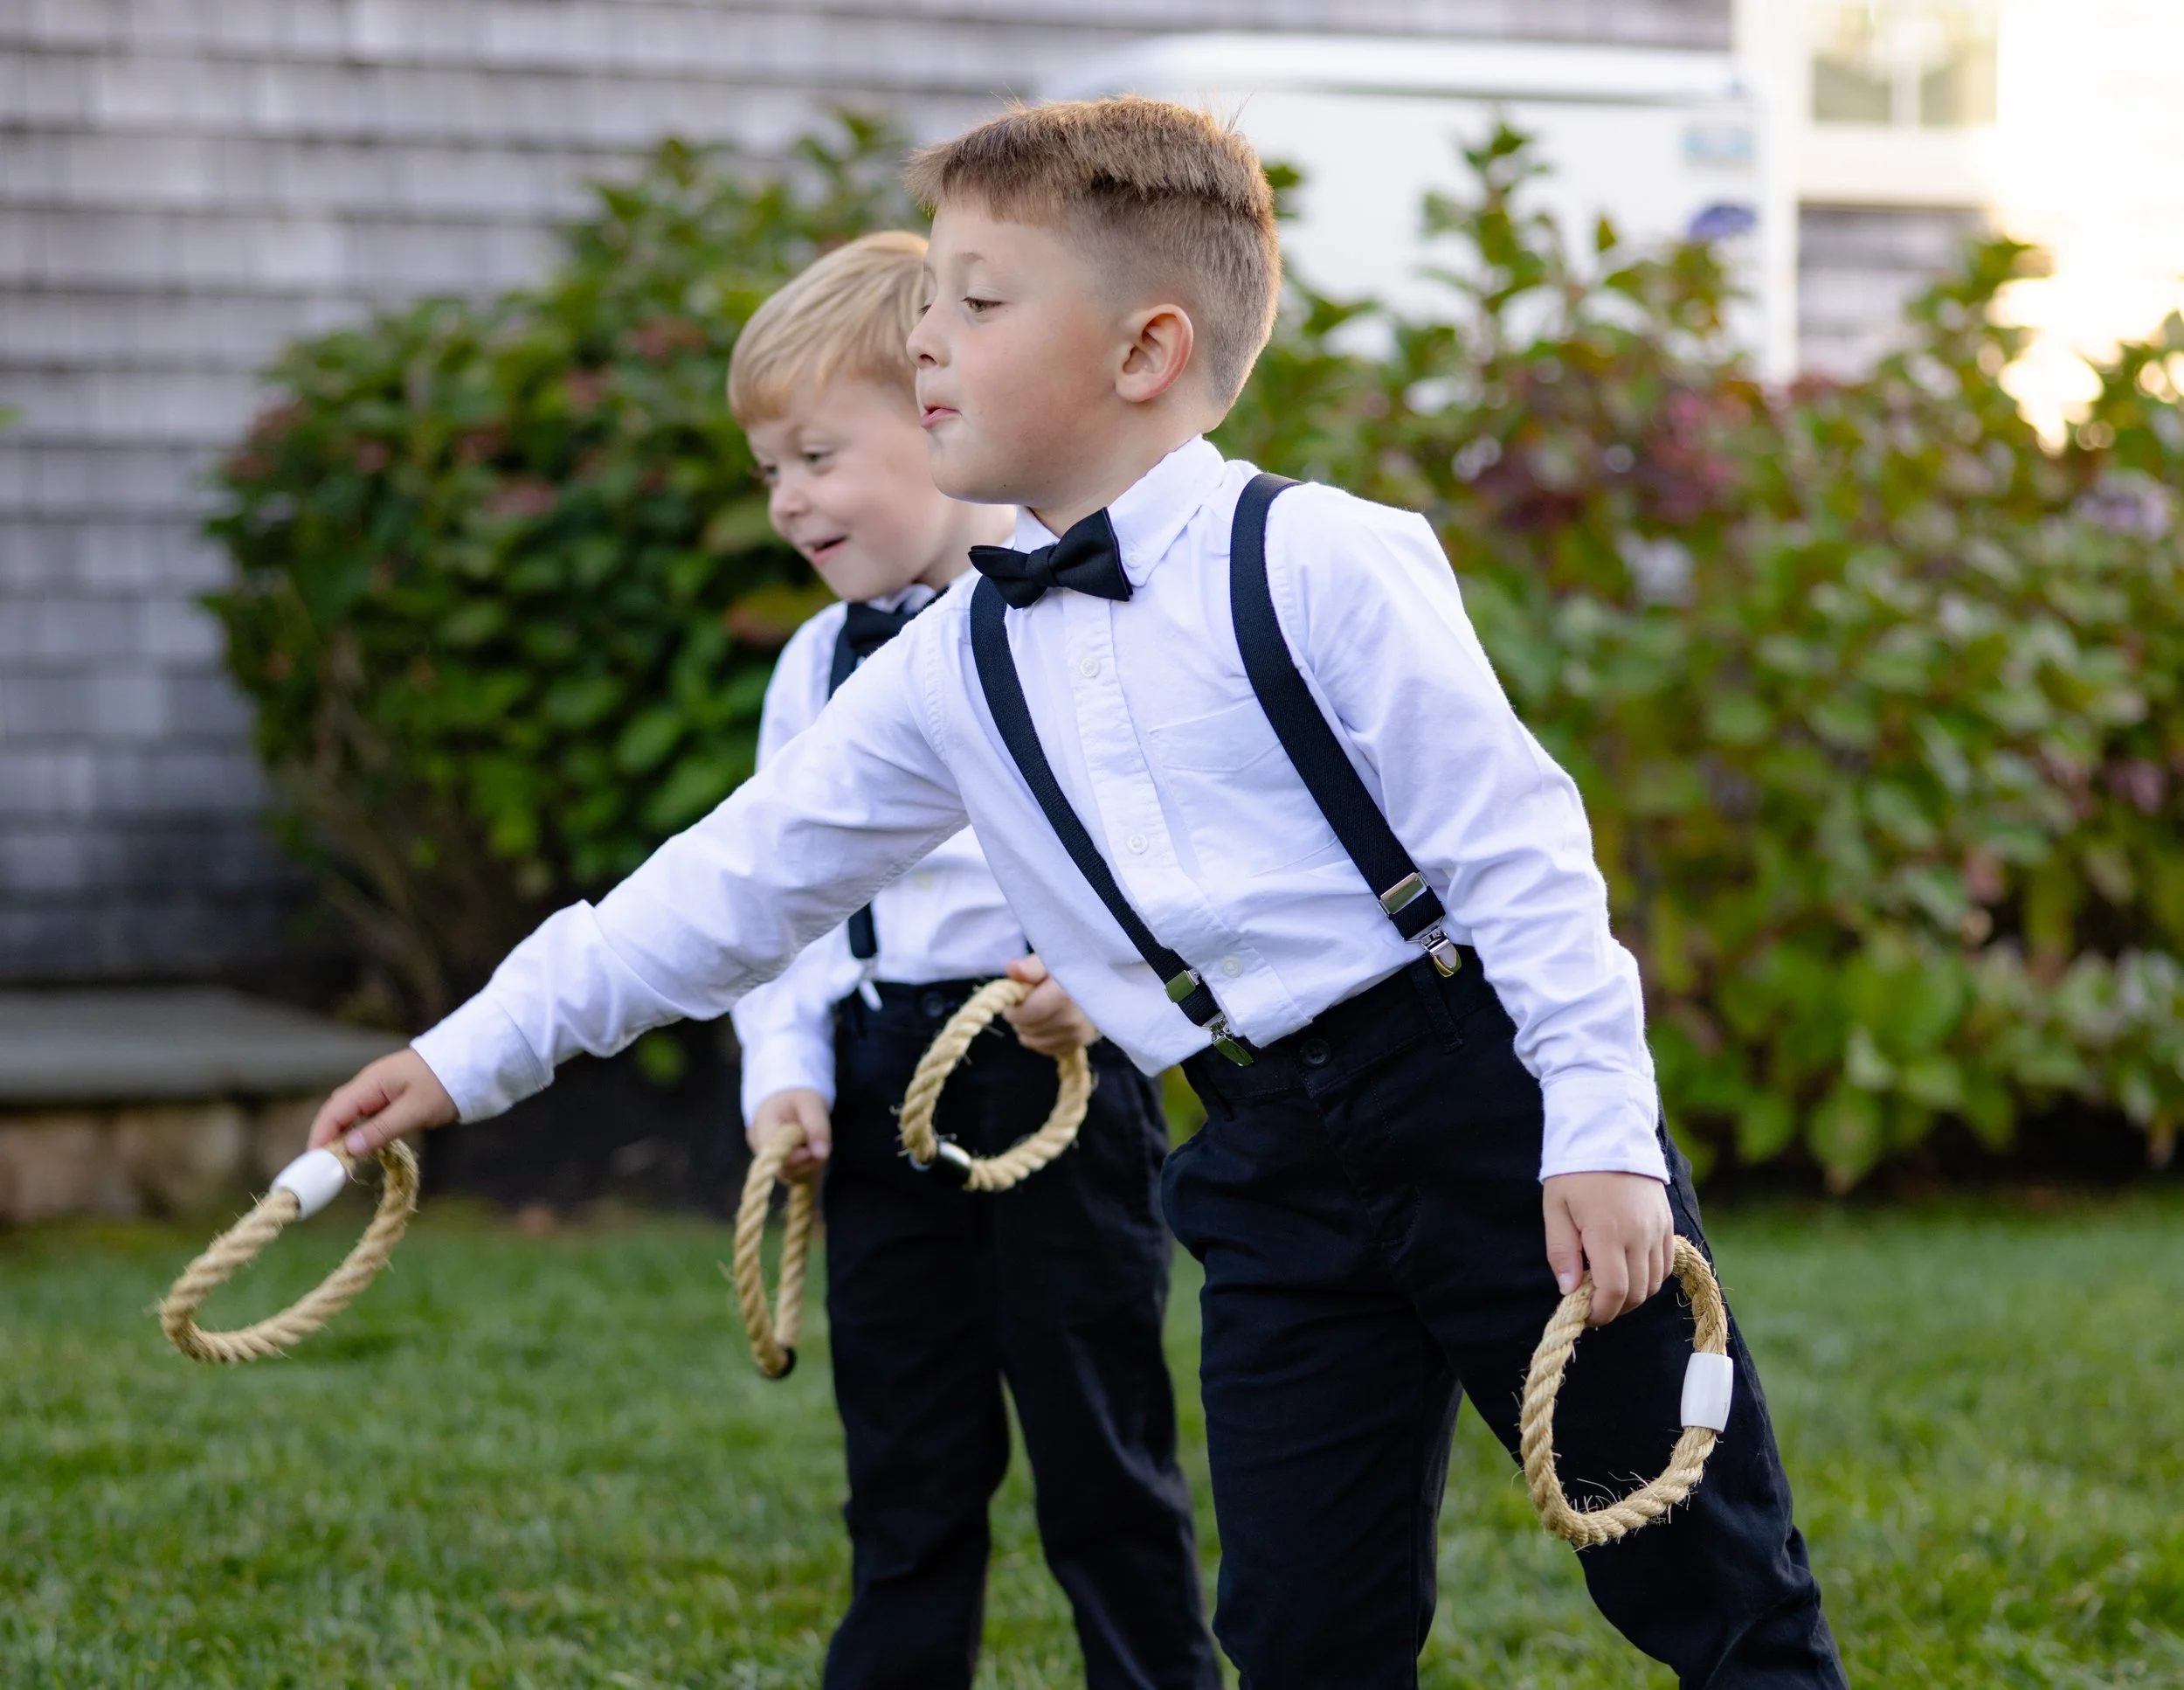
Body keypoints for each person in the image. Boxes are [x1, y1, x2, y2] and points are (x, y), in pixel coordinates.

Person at [309, 98, 1846, 1689]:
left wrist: (1595, 1131)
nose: (926, 342)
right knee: (1298, 1631)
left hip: (1486, 1106)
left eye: (977, 302)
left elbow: (1521, 853)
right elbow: (727, 883)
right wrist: (460, 1057)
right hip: (1258, 1160)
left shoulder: (1317, 558)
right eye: (926, 307)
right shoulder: (949, 669)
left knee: (1706, 1577)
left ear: (1144, 351)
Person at [721, 230, 1216, 1690]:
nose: (789, 499)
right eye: (767, 471)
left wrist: (1107, 979)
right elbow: (779, 903)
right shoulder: (813, 668)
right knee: (906, 1448)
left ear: (943, 420)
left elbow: (1160, 846)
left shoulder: (1067, 619)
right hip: (883, 1088)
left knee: (1099, 1449)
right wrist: (787, 1072)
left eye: (817, 454)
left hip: (1051, 1080)